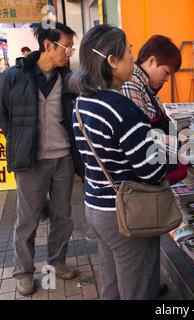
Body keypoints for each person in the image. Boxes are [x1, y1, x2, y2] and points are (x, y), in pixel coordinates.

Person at [69, 24, 169, 300]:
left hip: (95, 206)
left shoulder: (81, 102)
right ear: (112, 62)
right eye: (128, 53)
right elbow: (150, 171)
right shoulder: (123, 108)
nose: (132, 60)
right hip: (125, 212)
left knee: (112, 283)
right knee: (138, 289)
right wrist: (173, 155)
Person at [0, 21, 84, 296]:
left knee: (64, 216)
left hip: (62, 158)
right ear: (48, 45)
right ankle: (24, 272)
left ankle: (57, 262)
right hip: (30, 161)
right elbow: (2, 112)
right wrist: (17, 138)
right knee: (27, 219)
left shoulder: (68, 79)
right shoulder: (15, 75)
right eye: (67, 47)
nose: (69, 52)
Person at [121, 35, 188, 186]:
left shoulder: (145, 87)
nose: (166, 79)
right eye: (166, 72)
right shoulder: (132, 84)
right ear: (151, 61)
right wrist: (177, 142)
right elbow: (139, 135)